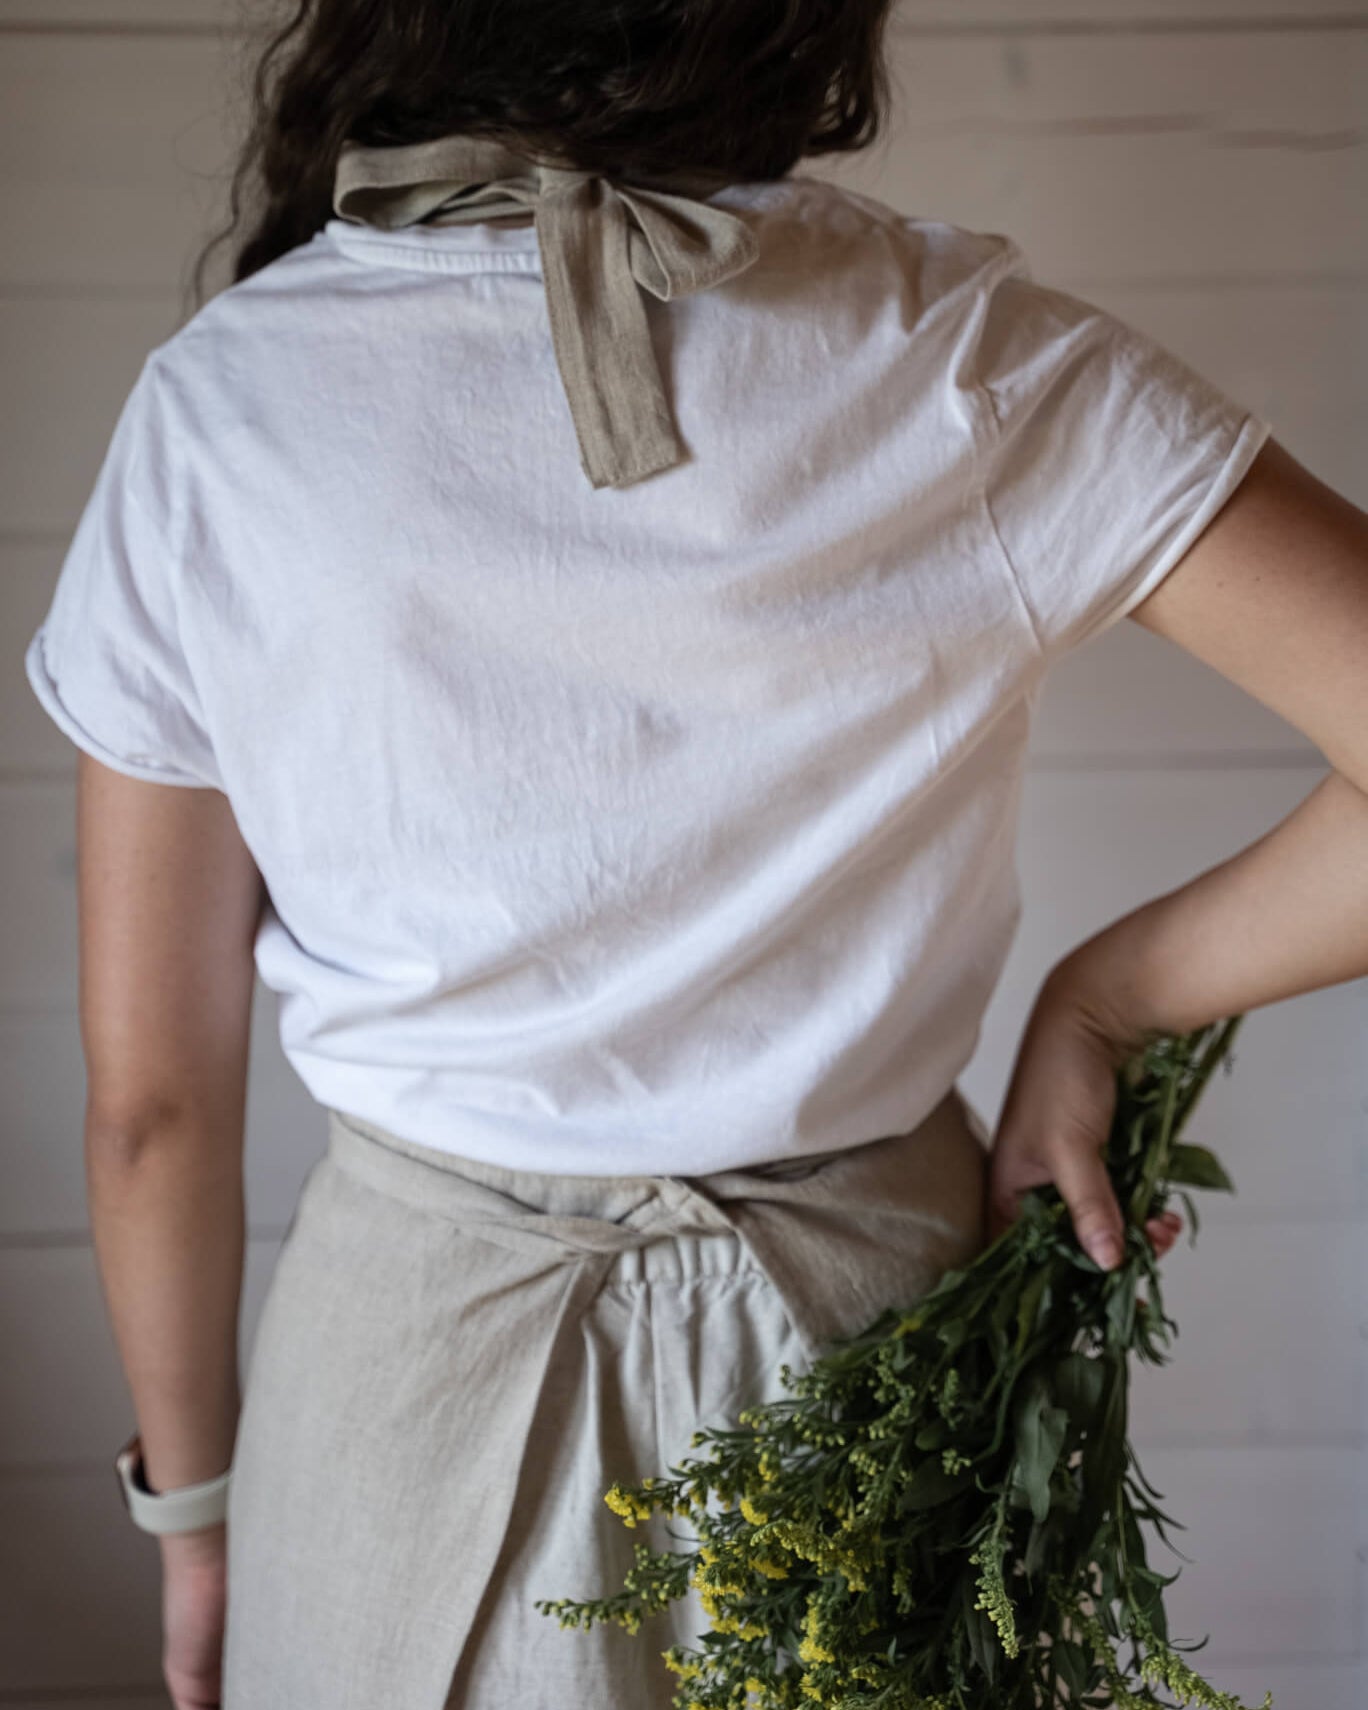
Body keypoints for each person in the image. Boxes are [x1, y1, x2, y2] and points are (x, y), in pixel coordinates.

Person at [23, 1, 1368, 1707]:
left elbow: (152, 1109)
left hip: (401, 1400)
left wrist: (203, 1522)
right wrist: (1104, 1005)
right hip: (877, 1375)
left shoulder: (220, 409)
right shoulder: (957, 349)